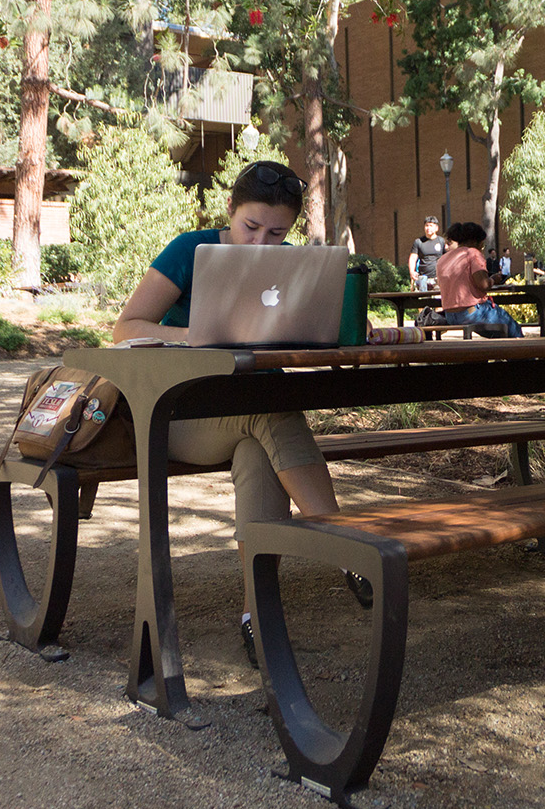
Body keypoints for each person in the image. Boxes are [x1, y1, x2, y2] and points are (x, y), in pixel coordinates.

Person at [111, 159, 367, 666]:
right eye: (250, 227)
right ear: (230, 209)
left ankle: (258, 617)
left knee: (258, 451)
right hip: (181, 414)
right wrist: (199, 338)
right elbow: (126, 327)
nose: (261, 244)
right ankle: (350, 547)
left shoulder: (289, 263)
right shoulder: (191, 250)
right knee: (271, 413)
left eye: (277, 233)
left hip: (254, 414)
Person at [436, 221, 524, 337]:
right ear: (474, 242)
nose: (482, 248)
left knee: (500, 333)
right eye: (481, 244)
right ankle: (527, 354)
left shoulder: (443, 259)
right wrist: (493, 279)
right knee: (513, 328)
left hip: (450, 314)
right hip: (472, 312)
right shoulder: (472, 253)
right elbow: (484, 284)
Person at [408, 216, 445, 292]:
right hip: (423, 279)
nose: (428, 228)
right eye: (426, 226)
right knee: (423, 301)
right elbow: (413, 258)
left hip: (438, 279)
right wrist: (412, 271)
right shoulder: (418, 242)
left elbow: (447, 258)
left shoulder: (441, 241)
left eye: (431, 226)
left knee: (438, 302)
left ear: (436, 228)